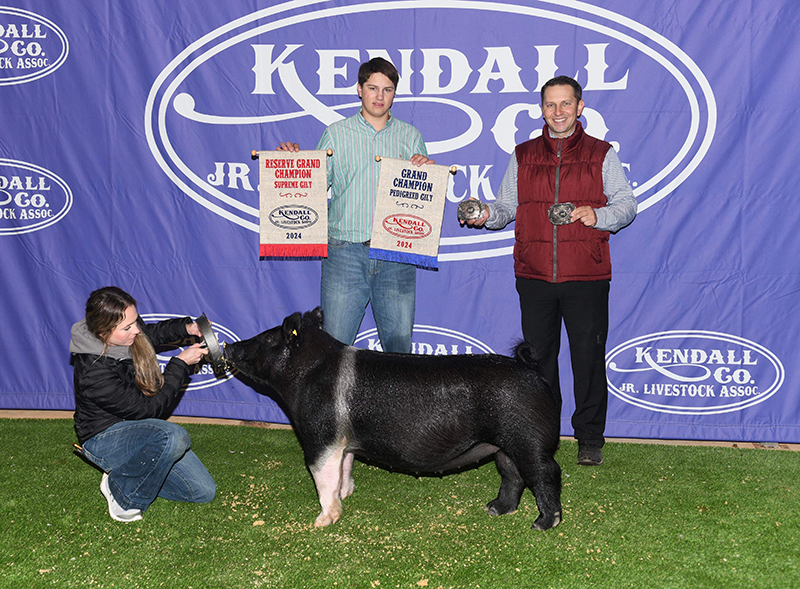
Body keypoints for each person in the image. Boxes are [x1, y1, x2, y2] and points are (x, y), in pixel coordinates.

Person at [461, 75, 637, 466]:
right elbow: (506, 208)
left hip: (587, 275)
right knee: (538, 364)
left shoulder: (601, 153)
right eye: (550, 105)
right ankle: (542, 436)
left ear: (580, 107)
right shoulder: (523, 154)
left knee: (587, 361)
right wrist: (486, 214)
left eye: (565, 104)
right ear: (541, 109)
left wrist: (598, 215)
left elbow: (627, 205)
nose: (558, 112)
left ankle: (590, 438)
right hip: (535, 275)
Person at [277, 57, 432, 353]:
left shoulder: (410, 137)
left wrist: (425, 171)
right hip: (344, 253)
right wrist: (293, 163)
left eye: (387, 89)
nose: (379, 96)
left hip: (395, 254)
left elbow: (421, 198)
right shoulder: (336, 134)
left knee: (399, 353)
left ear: (394, 94)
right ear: (359, 89)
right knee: (332, 350)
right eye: (372, 88)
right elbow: (311, 187)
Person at [70, 286, 216, 522]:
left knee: (201, 492)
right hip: (104, 437)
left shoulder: (125, 332)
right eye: (127, 327)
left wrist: (187, 328)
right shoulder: (93, 373)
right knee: (172, 437)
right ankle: (122, 493)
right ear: (103, 332)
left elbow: (150, 334)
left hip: (138, 428)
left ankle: (129, 470)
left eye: (135, 321)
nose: (136, 330)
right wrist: (180, 364)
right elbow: (148, 410)